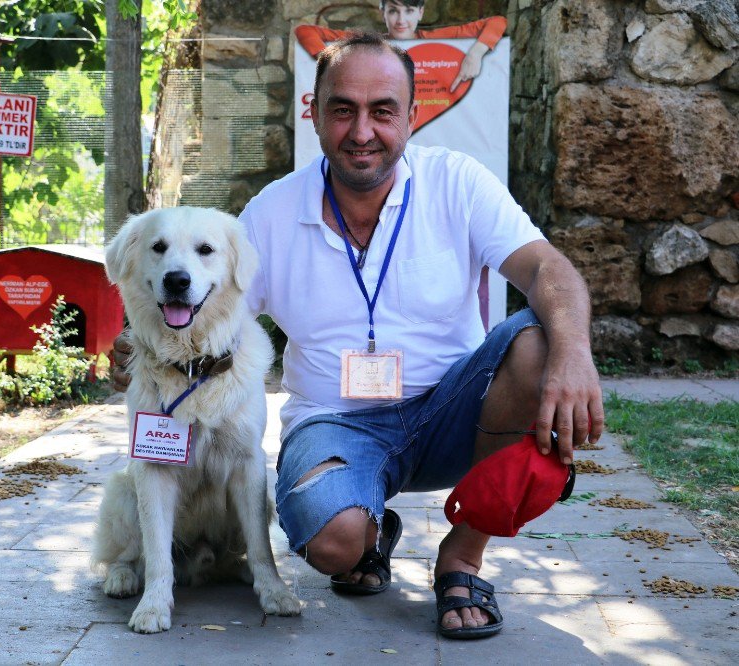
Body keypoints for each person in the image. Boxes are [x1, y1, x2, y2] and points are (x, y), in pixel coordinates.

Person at [111, 33, 604, 639]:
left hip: (454, 408)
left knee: (538, 342)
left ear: (412, 116)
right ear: (313, 113)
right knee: (330, 542)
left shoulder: (459, 183)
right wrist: (145, 344)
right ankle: (367, 533)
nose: (362, 130)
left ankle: (462, 560)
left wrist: (575, 354)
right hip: (334, 421)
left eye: (382, 110)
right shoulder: (268, 214)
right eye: (342, 108)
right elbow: (209, 303)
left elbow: (547, 269)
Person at [294, 0, 506, 92]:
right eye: (394, 10)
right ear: (382, 11)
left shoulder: (436, 37)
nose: (401, 20)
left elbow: (497, 22)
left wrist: (476, 53)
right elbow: (305, 30)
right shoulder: (368, 41)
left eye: (409, 11)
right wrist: (327, 59)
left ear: (420, 12)